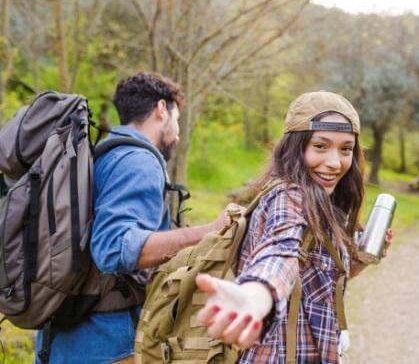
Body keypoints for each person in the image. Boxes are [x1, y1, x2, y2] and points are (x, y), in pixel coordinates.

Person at [35, 72, 231, 363]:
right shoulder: (138, 161)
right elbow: (113, 247)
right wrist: (209, 231)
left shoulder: (102, 152)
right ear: (161, 109)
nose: (177, 132)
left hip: (63, 337)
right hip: (107, 344)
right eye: (177, 119)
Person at [195, 91, 393, 363]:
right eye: (320, 146)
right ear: (296, 148)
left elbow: (316, 287)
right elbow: (279, 253)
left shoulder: (325, 203)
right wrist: (255, 296)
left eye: (345, 149)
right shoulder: (287, 197)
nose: (335, 162)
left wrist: (359, 260)